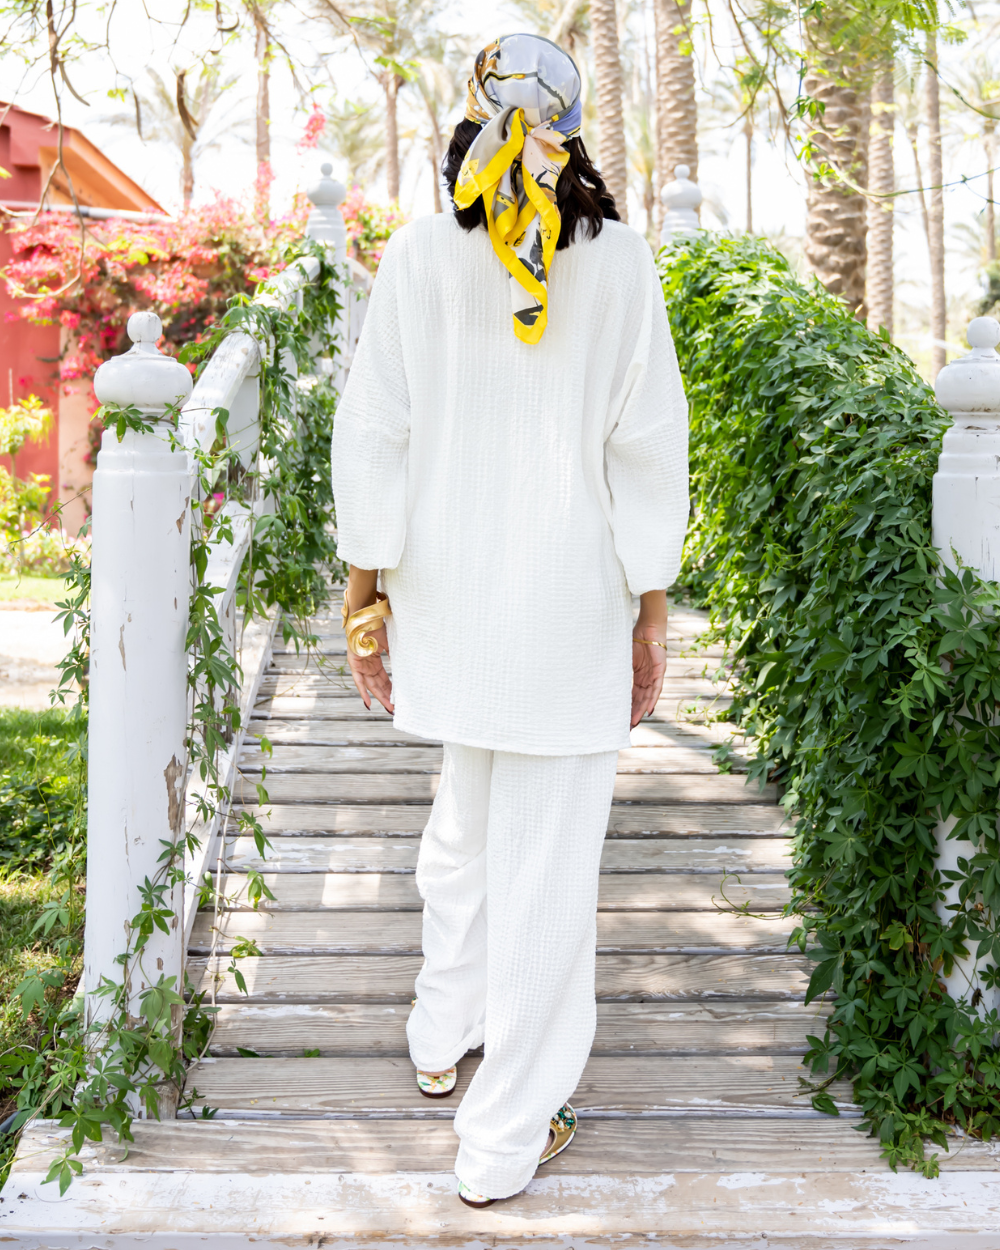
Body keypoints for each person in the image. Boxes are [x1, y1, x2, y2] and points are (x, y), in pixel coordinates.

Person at [331, 32, 689, 1209]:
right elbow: (644, 451)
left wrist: (363, 595)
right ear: (574, 137)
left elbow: (374, 429)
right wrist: (651, 610)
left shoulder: (420, 256)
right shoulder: (622, 263)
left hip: (449, 597)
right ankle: (500, 1135)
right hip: (567, 608)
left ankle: (442, 1029)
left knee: (465, 820)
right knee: (543, 874)